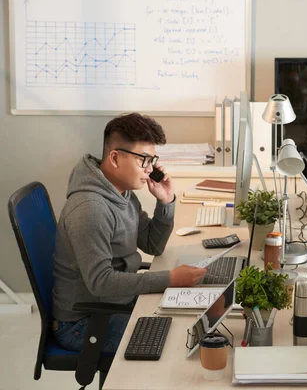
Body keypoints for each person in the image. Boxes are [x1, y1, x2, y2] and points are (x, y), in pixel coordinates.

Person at [52, 113, 207, 353]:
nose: (150, 169)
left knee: (186, 321)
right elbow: (101, 282)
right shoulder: (90, 210)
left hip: (114, 302)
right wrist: (169, 279)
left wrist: (166, 202)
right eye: (144, 160)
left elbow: (152, 245)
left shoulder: (122, 193)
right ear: (115, 158)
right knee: (176, 341)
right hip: (83, 324)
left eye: (152, 160)